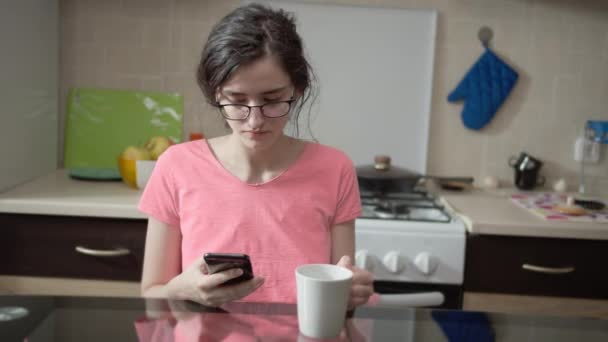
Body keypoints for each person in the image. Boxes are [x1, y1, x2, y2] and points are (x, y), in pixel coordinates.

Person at [139, 3, 373, 309]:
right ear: (216, 94)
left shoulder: (335, 168)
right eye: (237, 101)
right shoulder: (176, 165)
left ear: (297, 90)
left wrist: (351, 293)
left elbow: (339, 288)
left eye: (272, 100)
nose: (255, 121)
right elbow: (151, 293)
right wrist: (185, 289)